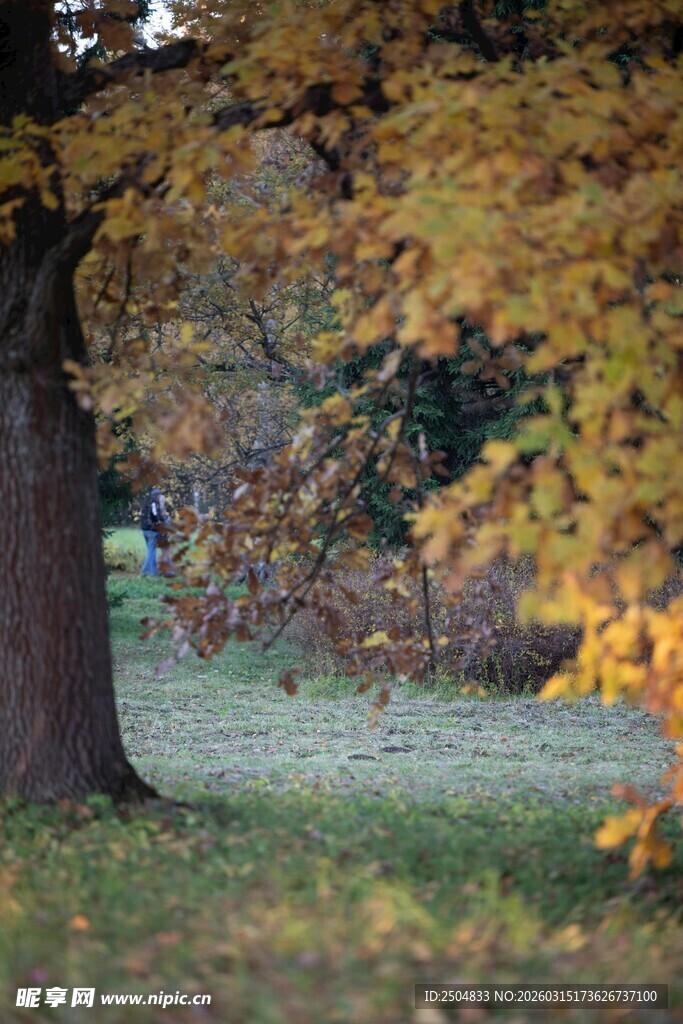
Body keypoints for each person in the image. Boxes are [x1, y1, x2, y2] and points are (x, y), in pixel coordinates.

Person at [140, 488, 163, 576]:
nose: (160, 497)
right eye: (159, 496)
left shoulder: (145, 503)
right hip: (151, 530)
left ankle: (154, 571)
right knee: (151, 551)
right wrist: (161, 522)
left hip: (144, 530)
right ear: (156, 496)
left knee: (152, 551)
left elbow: (141, 516)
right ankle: (145, 570)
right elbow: (155, 515)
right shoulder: (154, 504)